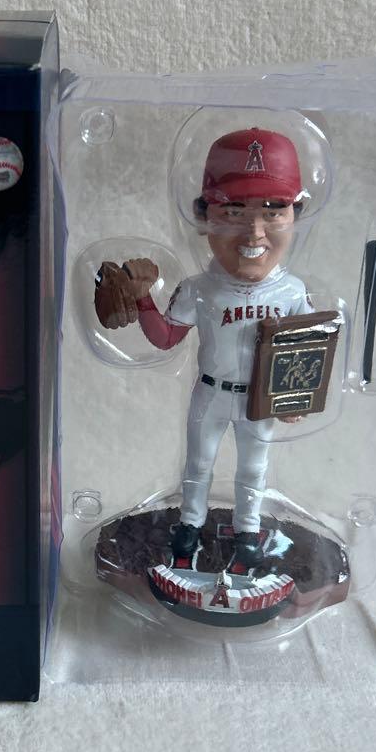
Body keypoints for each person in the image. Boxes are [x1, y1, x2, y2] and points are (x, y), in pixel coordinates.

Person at [96, 128, 313, 571]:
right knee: (198, 465)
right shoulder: (199, 288)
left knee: (253, 469)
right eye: (233, 211)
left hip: (258, 398)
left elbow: (306, 348)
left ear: (296, 213)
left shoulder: (292, 291)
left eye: (273, 210)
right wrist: (142, 299)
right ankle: (190, 525)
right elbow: (166, 338)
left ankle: (248, 532)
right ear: (203, 216)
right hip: (211, 392)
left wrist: (295, 398)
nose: (254, 231)